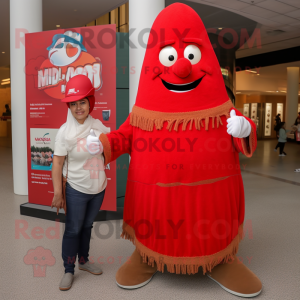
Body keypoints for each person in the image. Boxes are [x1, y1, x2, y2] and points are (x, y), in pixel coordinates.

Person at [51, 75, 110, 291]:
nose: (78, 108)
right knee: (73, 229)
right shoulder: (65, 132)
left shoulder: (98, 126)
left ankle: (83, 261)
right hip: (76, 188)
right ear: (69, 105)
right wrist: (58, 192)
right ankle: (68, 269)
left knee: (87, 226)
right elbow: (57, 164)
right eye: (73, 103)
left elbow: (112, 147)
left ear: (90, 102)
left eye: (82, 102)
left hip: (99, 188)